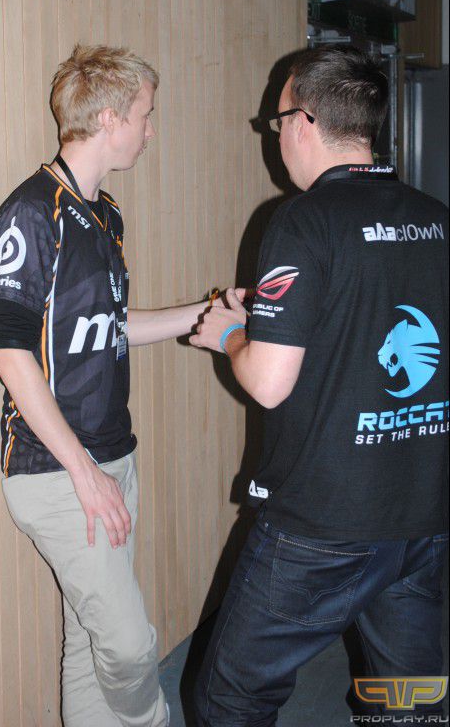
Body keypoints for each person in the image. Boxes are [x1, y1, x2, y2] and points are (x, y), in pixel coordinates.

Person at [190, 45, 449, 726]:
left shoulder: (303, 221)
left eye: (276, 122)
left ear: (303, 122)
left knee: (229, 699)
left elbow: (269, 383)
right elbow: (370, 321)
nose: (275, 137)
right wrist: (281, 320)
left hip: (321, 525)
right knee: (406, 703)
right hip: (421, 514)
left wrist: (230, 335)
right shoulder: (437, 218)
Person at [0, 44, 208, 727]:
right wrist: (83, 473)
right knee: (129, 645)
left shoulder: (105, 214)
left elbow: (112, 326)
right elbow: (11, 353)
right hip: (56, 468)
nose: (150, 130)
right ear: (109, 118)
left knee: (89, 647)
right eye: (144, 115)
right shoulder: (32, 213)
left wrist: (206, 314)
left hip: (112, 455)